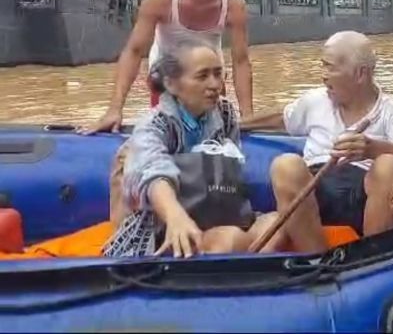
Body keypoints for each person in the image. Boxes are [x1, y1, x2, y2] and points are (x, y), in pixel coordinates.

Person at [241, 31, 393, 254]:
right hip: (312, 195)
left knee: (389, 164)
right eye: (323, 66)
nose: (323, 76)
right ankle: (317, 261)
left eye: (330, 67)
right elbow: (281, 119)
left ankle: (370, 258)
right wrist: (235, 124)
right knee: (285, 165)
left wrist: (373, 149)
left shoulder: (392, 112)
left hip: (364, 197)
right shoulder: (314, 101)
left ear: (360, 74)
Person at [104, 41, 275, 258]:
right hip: (164, 225)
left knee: (275, 223)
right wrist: (175, 216)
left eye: (218, 74)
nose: (215, 85)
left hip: (218, 211)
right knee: (231, 239)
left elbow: (231, 167)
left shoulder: (224, 113)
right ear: (172, 84)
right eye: (202, 76)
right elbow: (154, 172)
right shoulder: (154, 125)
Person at [81, 0, 253, 134]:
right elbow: (134, 51)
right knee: (166, 131)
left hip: (209, 74)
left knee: (212, 132)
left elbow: (241, 61)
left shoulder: (234, 5)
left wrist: (248, 118)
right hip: (167, 77)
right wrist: (114, 109)